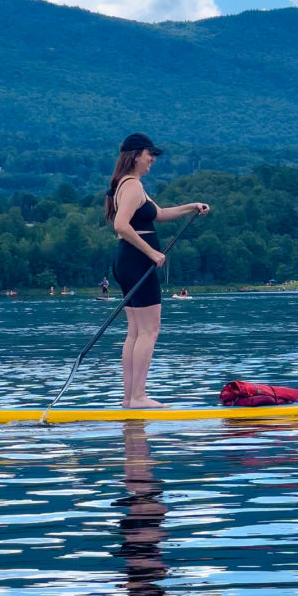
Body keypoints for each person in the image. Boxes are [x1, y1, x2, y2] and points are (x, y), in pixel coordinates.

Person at [105, 133, 209, 409]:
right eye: (149, 154)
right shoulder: (132, 187)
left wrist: (191, 207)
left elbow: (159, 214)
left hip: (128, 261)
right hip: (137, 261)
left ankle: (130, 399)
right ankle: (137, 397)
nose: (152, 159)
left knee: (137, 330)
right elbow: (121, 225)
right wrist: (151, 252)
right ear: (136, 155)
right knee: (149, 330)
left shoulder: (130, 185)